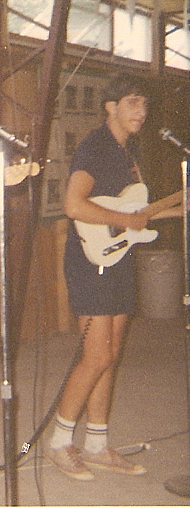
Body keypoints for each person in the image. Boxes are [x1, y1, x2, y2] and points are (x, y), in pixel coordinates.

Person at [45, 72, 185, 480]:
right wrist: (126, 218)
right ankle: (59, 442)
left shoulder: (130, 152)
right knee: (97, 355)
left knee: (112, 354)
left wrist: (180, 208)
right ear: (111, 107)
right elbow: (74, 205)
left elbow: (138, 215)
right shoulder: (95, 147)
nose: (142, 112)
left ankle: (97, 445)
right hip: (91, 262)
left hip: (119, 255)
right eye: (133, 103)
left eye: (144, 104)